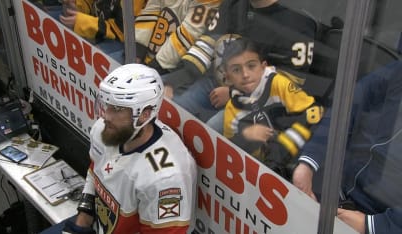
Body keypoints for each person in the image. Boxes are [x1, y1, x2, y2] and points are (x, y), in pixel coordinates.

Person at [41, 63, 197, 233]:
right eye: (107, 104)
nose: (105, 115)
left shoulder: (165, 178)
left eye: (117, 109)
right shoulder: (104, 130)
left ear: (144, 114)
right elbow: (95, 174)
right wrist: (82, 221)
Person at [165, 0, 317, 130]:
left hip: (261, 102)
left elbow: (292, 82)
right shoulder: (233, 4)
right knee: (173, 108)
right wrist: (173, 81)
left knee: (212, 130)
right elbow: (206, 47)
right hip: (217, 84)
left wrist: (233, 93)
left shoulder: (298, 23)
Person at [292, 61, 402, 233]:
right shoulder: (397, 72)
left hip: (379, 220)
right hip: (339, 191)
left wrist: (373, 225)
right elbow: (349, 104)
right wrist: (309, 161)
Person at [221, 38, 323, 178]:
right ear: (227, 77)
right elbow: (230, 151)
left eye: (251, 66)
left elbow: (314, 113)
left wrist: (280, 150)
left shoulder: (278, 84)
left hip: (294, 162)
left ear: (263, 67)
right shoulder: (232, 109)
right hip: (258, 171)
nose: (245, 74)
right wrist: (246, 136)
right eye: (236, 70)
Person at [134, 0, 222, 74]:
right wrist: (137, 52)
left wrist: (153, 68)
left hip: (170, 70)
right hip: (143, 57)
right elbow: (151, 10)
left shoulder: (211, 2)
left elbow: (187, 35)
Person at [59, 0, 147, 43]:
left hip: (119, 42)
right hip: (95, 25)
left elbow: (122, 32)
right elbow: (91, 3)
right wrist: (77, 3)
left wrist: (84, 23)